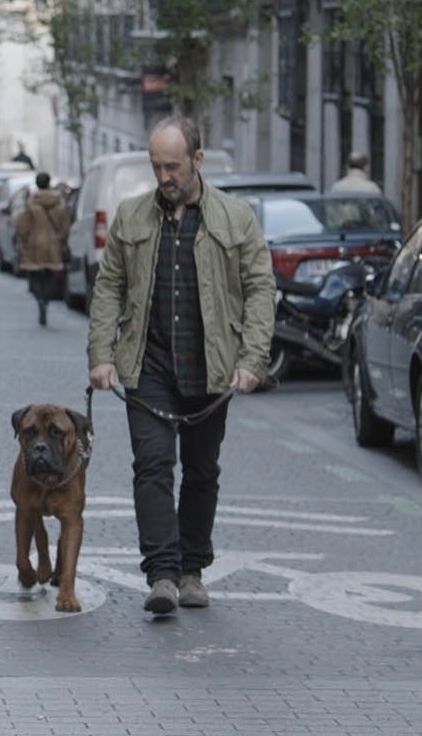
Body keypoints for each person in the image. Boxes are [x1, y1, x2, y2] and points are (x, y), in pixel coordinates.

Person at [86, 115, 275, 615]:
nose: (164, 176)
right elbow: (109, 286)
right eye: (156, 166)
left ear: (197, 160)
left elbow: (260, 290)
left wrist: (252, 359)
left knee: (201, 471)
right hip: (148, 364)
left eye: (172, 165)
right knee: (152, 466)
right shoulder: (131, 217)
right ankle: (163, 575)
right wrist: (101, 354)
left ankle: (192, 569)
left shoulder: (237, 219)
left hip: (211, 368)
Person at [14, 172, 71, 327]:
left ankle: (40, 299)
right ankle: (45, 299)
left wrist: (23, 241)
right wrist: (61, 238)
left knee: (35, 276)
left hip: (34, 246)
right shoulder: (59, 204)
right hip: (54, 246)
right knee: (50, 275)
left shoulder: (31, 204)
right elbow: (65, 228)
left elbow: (23, 227)